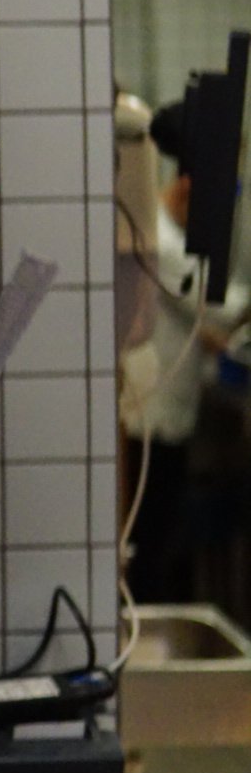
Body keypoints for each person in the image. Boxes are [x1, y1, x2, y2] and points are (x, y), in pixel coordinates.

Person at [121, 100, 250, 603]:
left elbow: (207, 325)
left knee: (159, 542)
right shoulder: (161, 239)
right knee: (148, 547)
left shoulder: (176, 238)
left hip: (171, 419)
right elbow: (217, 306)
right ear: (192, 186)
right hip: (147, 422)